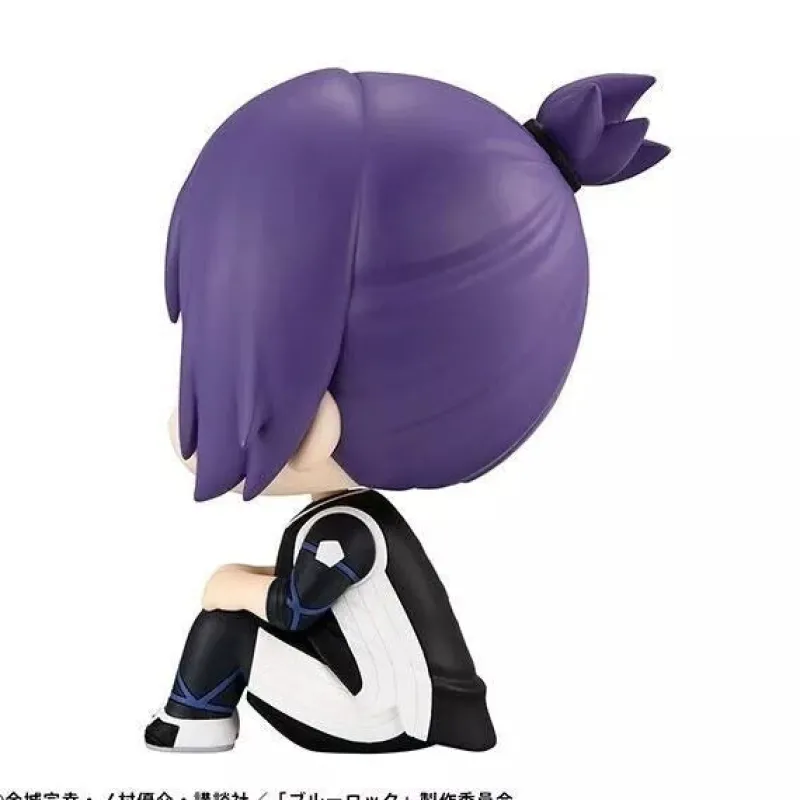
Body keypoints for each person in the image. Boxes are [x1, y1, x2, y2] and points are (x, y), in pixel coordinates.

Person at [145, 68, 669, 753]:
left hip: (388, 710)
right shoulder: (346, 521)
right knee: (231, 610)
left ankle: (192, 726)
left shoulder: (347, 529)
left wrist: (230, 583)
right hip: (387, 691)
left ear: (316, 424)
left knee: (226, 625)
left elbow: (293, 610)